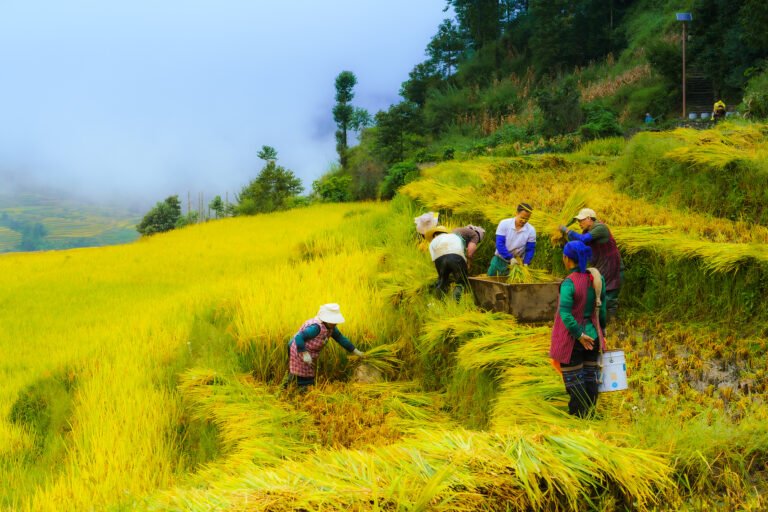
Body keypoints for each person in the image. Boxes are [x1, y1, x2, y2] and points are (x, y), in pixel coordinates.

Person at [549, 241, 607, 418]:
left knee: (575, 382)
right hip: (593, 335)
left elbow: (565, 314)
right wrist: (601, 334)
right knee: (591, 378)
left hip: (574, 341)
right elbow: (602, 310)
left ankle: (578, 418)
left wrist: (579, 335)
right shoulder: (597, 280)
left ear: (567, 259)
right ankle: (590, 414)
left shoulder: (569, 283)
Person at [560, 208, 623, 325]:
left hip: (612, 266)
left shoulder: (601, 228)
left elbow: (583, 239)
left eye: (581, 220)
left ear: (589, 218)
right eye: (578, 221)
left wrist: (567, 231)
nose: (579, 224)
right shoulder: (587, 232)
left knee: (609, 298)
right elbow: (578, 243)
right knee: (599, 293)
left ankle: (611, 324)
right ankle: (600, 322)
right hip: (600, 266)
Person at [284, 303, 364, 390]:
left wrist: (356, 351)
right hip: (298, 348)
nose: (335, 323)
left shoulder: (331, 328)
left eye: (335, 321)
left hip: (308, 352)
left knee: (300, 371)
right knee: (304, 376)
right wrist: (304, 353)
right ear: (325, 319)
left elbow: (341, 339)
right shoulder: (316, 328)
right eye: (332, 321)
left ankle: (286, 388)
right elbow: (299, 337)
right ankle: (303, 393)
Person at [487, 203, 536, 276]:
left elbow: (530, 249)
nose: (524, 221)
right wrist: (510, 258)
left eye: (527, 219)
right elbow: (499, 244)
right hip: (500, 259)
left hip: (517, 264)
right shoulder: (504, 224)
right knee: (490, 281)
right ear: (516, 213)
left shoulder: (531, 230)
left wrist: (526, 263)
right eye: (522, 218)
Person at [427, 225, 469, 301]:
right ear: (445, 233)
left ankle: (439, 302)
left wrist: (441, 273)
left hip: (440, 259)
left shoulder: (433, 242)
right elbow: (462, 251)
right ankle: (455, 302)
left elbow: (434, 259)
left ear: (435, 235)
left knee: (442, 281)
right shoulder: (455, 236)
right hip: (456, 257)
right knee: (461, 282)